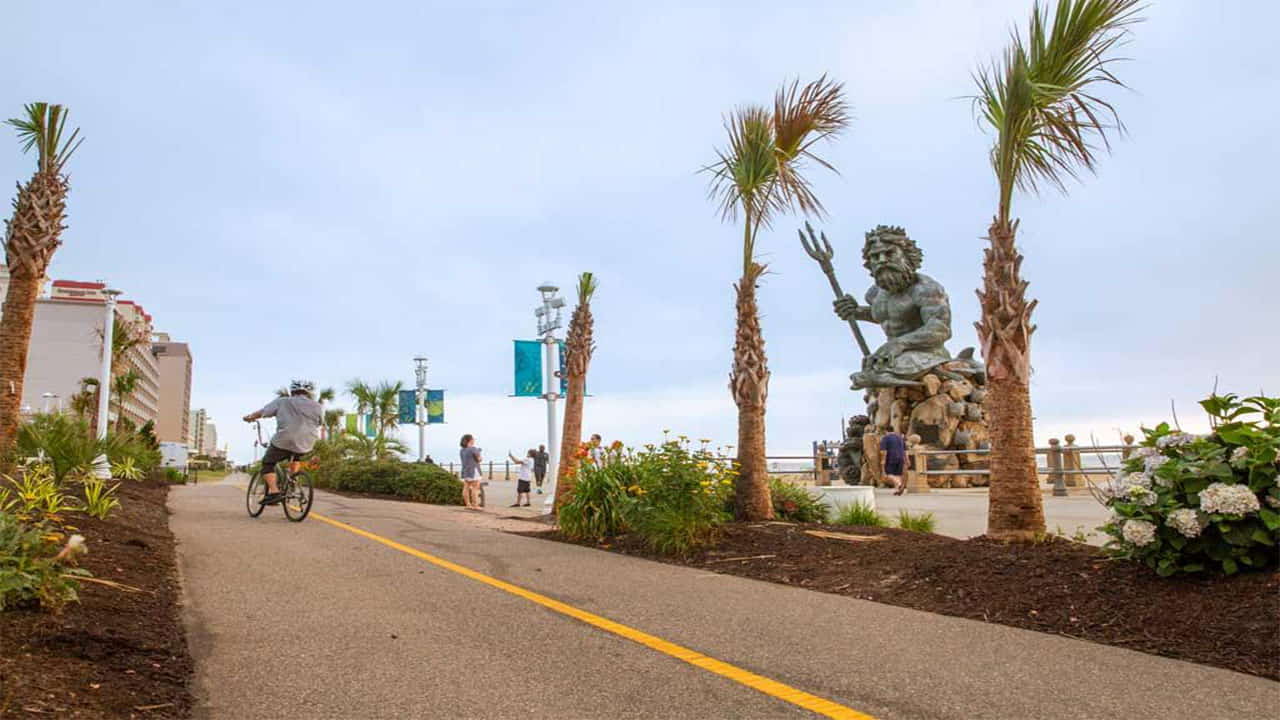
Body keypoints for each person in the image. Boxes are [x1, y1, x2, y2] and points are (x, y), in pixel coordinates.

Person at [243, 380, 323, 506]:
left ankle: (274, 493)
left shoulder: (283, 401)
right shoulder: (317, 406)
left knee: (268, 463)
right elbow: (319, 422)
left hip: (285, 439)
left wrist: (250, 417)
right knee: (296, 455)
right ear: (308, 393)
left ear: (292, 392)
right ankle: (292, 481)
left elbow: (264, 412)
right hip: (308, 441)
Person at [459, 434, 483, 509]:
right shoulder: (473, 448)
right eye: (473, 439)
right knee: (475, 488)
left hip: (465, 471)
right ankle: (475, 505)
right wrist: (479, 452)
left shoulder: (462, 450)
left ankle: (468, 505)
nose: (474, 440)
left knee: (466, 487)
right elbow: (479, 459)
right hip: (473, 470)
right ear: (470, 440)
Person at [879, 431, 907, 495]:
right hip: (901, 458)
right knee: (897, 474)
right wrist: (906, 460)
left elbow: (884, 451)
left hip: (891, 458)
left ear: (886, 431)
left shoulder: (885, 438)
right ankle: (897, 490)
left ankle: (899, 484)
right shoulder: (900, 438)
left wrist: (883, 460)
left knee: (888, 474)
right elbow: (905, 450)